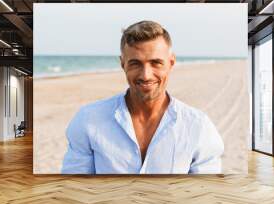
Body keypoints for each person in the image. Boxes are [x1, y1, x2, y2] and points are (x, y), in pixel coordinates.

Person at [61, 20, 224, 174]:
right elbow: (73, 186)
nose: (146, 75)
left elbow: (205, 193)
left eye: (156, 63)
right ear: (122, 64)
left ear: (171, 63)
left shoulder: (198, 126)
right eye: (135, 63)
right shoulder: (88, 120)